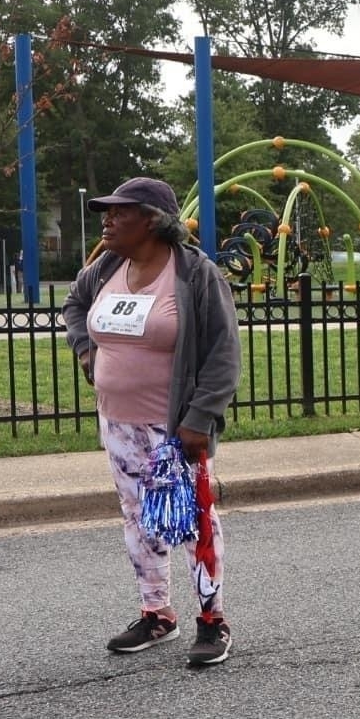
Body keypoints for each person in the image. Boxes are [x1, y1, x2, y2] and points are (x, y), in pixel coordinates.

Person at [62, 177, 241, 666]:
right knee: (137, 517)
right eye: (107, 212)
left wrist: (200, 417)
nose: (108, 220)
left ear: (151, 220)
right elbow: (75, 307)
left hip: (175, 428)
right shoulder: (106, 267)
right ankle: (157, 612)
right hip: (117, 422)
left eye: (120, 212)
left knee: (194, 519)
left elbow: (224, 354)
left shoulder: (196, 274)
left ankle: (213, 621)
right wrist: (85, 351)